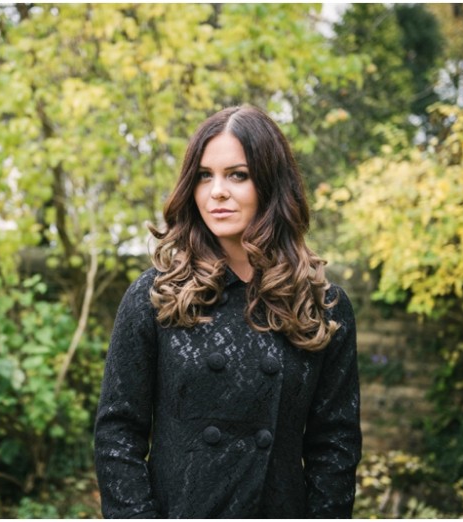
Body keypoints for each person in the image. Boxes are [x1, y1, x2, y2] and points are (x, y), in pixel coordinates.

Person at [93, 105, 361, 518]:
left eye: (238, 175)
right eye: (205, 175)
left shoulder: (321, 305)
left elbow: (335, 446)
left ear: (271, 184)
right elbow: (118, 433)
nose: (217, 191)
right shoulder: (157, 294)